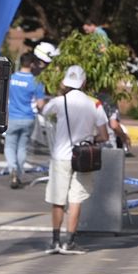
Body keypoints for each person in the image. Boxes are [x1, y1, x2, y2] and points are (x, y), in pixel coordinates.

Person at [40, 64, 108, 255]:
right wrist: (90, 138)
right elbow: (104, 136)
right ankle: (70, 242)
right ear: (84, 82)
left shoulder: (59, 101)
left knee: (57, 200)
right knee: (76, 199)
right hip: (83, 157)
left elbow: (43, 112)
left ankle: (54, 241)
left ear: (65, 82)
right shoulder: (95, 104)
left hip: (60, 156)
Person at [4, 54, 46, 188]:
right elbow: (40, 104)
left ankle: (13, 169)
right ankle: (20, 173)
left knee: (10, 146)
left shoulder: (11, 79)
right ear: (32, 64)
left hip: (12, 117)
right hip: (28, 118)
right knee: (22, 147)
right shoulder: (36, 81)